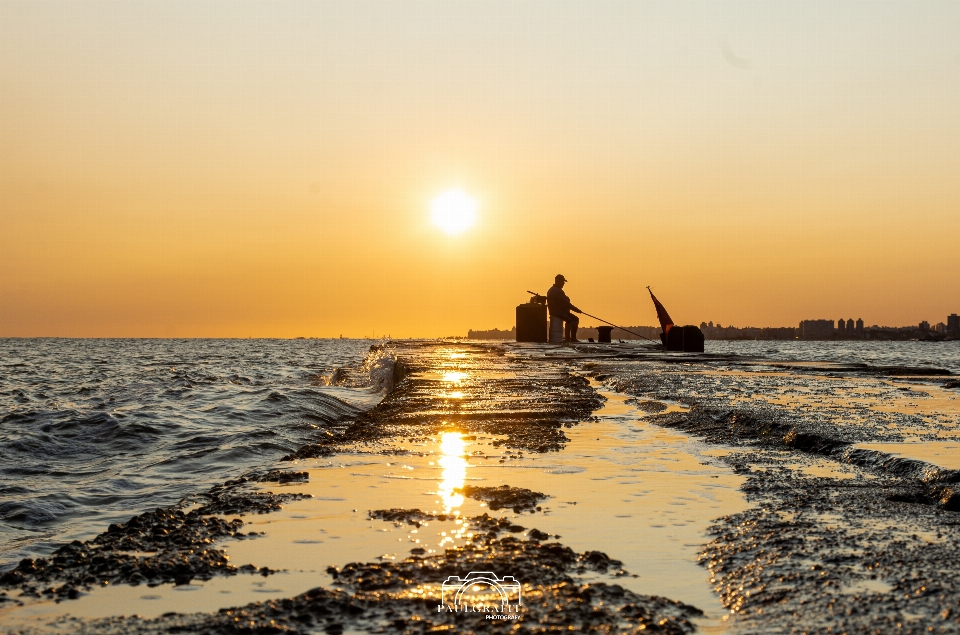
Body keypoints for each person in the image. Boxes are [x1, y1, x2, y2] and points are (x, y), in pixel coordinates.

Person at [546, 274, 582, 342]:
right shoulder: (557, 291)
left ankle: (568, 338)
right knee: (574, 320)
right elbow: (566, 303)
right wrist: (576, 310)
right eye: (563, 282)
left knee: (570, 320)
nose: (563, 284)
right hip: (559, 312)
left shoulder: (552, 290)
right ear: (558, 281)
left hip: (556, 311)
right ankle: (572, 338)